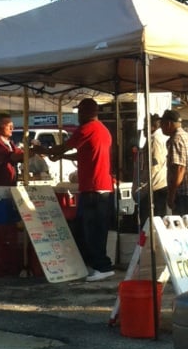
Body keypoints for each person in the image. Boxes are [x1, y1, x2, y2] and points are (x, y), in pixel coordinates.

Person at [46, 98, 115, 281]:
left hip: (94, 188)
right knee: (94, 228)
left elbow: (65, 146)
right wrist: (61, 157)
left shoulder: (87, 128)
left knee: (91, 230)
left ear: (85, 112)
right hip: (102, 187)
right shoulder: (103, 130)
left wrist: (47, 151)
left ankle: (101, 265)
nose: (77, 116)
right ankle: (97, 264)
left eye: (79, 112)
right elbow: (82, 153)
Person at [160, 109, 188, 216]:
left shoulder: (176, 140)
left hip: (183, 194)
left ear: (168, 124)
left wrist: (171, 195)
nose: (161, 128)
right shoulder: (187, 136)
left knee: (180, 229)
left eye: (162, 124)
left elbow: (179, 170)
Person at [132, 113, 168, 226]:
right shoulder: (153, 139)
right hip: (151, 189)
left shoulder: (155, 140)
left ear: (152, 126)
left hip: (153, 190)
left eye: (145, 125)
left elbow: (153, 166)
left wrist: (143, 187)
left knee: (149, 226)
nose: (143, 129)